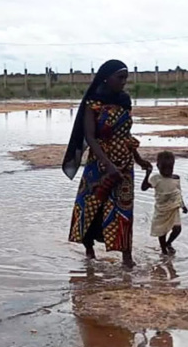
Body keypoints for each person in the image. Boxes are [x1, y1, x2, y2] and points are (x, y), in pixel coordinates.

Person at [63, 60, 152, 268]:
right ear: (106, 77)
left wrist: (139, 159)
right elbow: (90, 137)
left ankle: (127, 258)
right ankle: (89, 251)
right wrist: (107, 164)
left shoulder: (124, 101)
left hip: (124, 164)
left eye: (125, 78)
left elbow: (126, 135)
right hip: (99, 164)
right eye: (119, 77)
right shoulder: (93, 103)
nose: (123, 82)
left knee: (123, 208)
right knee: (92, 206)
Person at [141, 151, 188, 255]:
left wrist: (183, 205)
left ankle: (168, 243)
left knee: (177, 229)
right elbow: (143, 188)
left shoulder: (176, 178)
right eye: (164, 168)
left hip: (173, 207)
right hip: (161, 209)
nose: (167, 172)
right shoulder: (156, 179)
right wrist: (148, 173)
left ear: (173, 166)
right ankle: (163, 250)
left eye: (170, 169)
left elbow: (178, 193)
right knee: (161, 231)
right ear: (158, 166)